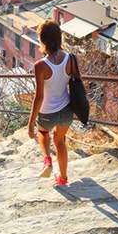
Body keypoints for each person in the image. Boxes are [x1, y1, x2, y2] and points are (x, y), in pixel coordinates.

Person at [27, 20, 77, 186]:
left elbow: (39, 97)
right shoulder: (70, 59)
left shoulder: (40, 65)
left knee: (43, 133)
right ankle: (63, 178)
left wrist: (31, 122)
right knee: (60, 141)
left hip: (47, 112)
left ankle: (47, 161)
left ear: (43, 40)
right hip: (66, 110)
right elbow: (76, 83)